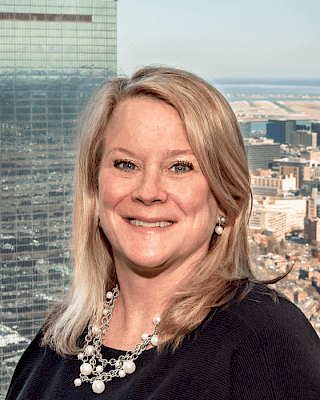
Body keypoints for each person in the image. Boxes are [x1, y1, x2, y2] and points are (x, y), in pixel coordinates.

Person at [6, 66, 320, 400]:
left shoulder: (264, 342)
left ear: (225, 198)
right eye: (126, 164)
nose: (148, 191)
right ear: (94, 188)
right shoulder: (56, 339)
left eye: (180, 167)